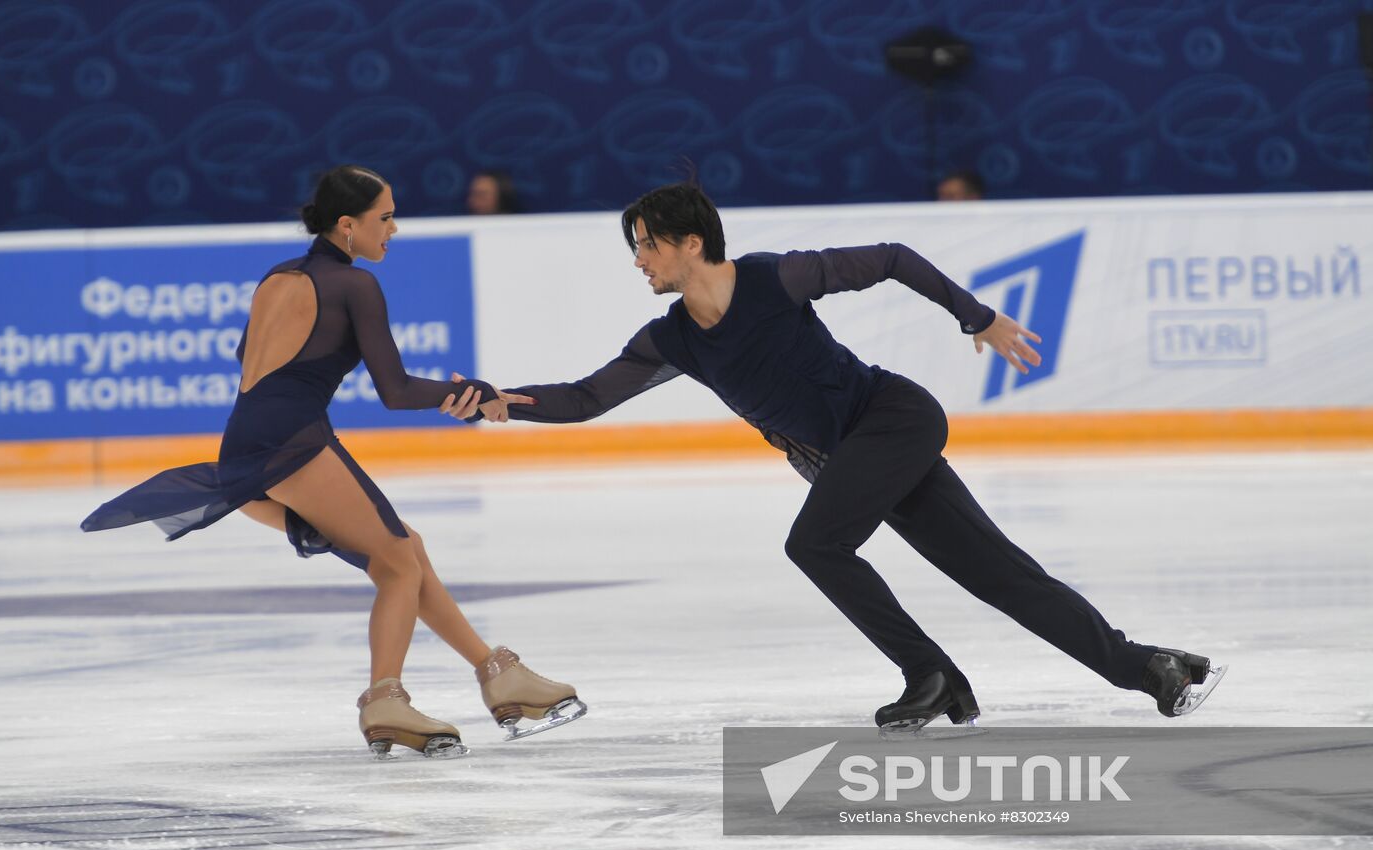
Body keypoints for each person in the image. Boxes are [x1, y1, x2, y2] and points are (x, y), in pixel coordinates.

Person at [441, 181, 1225, 733]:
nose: (639, 260)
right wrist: (506, 399)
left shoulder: (776, 278)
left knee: (816, 543)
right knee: (1001, 576)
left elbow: (891, 256)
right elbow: (586, 397)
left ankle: (932, 674)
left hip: (893, 419)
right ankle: (1153, 668)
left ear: (691, 243)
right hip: (850, 457)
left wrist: (978, 318)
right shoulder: (672, 338)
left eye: (646, 246)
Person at [81, 165, 586, 758]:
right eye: (385, 217)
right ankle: (385, 701)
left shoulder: (279, 277)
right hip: (291, 442)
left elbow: (253, 361)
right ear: (348, 225)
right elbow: (394, 391)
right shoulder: (355, 286)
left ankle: (498, 672)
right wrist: (474, 395)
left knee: (406, 549)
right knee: (397, 561)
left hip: (248, 445)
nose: (394, 229)